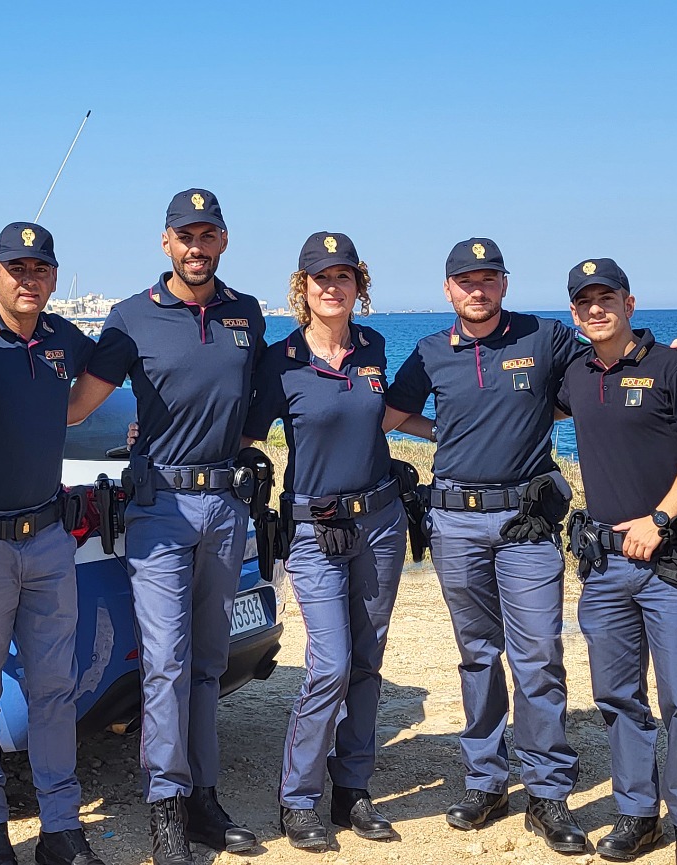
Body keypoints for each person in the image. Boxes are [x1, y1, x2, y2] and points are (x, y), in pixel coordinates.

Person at [382, 238, 677, 856]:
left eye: (488, 279)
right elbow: (392, 418)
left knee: (537, 658)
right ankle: (486, 781)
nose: (476, 290)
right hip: (454, 522)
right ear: (447, 289)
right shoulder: (429, 352)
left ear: (504, 285)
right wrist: (447, 431)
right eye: (465, 281)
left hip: (526, 525)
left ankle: (547, 792)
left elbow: (611, 350)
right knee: (477, 656)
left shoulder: (545, 338)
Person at [66, 189, 266, 865]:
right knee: (167, 664)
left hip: (224, 506)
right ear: (166, 242)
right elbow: (74, 409)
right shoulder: (129, 317)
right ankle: (165, 811)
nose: (196, 246)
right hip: (159, 511)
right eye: (185, 235)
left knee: (209, 662)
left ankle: (204, 799)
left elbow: (251, 407)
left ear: (224, 241)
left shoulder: (247, 313)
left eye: (207, 235)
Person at [0, 222, 105, 865]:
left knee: (52, 688)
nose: (29, 280)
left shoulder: (65, 338)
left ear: (54, 276)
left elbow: (98, 385)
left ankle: (62, 829)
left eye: (41, 270)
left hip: (48, 541)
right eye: (17, 268)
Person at [556, 258, 677, 865]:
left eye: (607, 298)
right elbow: (518, 403)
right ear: (573, 313)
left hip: (670, 564)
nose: (595, 309)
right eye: (584, 302)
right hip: (603, 566)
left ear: (631, 303)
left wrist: (659, 520)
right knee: (618, 697)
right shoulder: (573, 372)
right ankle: (636, 814)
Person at [247, 232, 405, 849]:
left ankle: (353, 791)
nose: (332, 287)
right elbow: (245, 434)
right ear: (303, 287)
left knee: (367, 661)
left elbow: (390, 414)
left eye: (344, 277)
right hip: (314, 529)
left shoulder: (374, 348)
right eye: (321, 278)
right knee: (329, 666)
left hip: (383, 522)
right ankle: (300, 799)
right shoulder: (280, 358)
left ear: (358, 286)